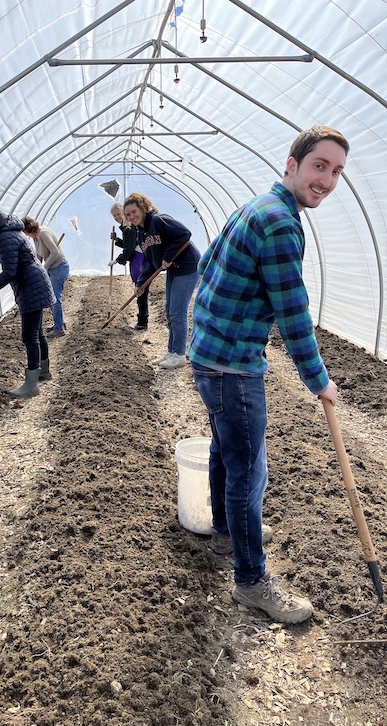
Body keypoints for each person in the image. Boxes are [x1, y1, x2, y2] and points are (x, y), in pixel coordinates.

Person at [189, 125, 350, 624]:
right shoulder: (281, 223)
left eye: (336, 172)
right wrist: (318, 379)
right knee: (248, 472)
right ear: (292, 164)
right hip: (234, 367)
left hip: (209, 356)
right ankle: (251, 581)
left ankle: (225, 532)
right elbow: (293, 312)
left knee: (226, 451)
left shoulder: (255, 207)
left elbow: (207, 266)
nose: (327, 180)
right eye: (320, 166)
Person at [0, 201, 56, 398]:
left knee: (29, 336)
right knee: (37, 333)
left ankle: (31, 385)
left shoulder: (5, 236)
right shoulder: (6, 231)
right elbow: (10, 258)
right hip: (35, 284)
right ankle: (43, 372)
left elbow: (10, 272)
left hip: (30, 288)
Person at [123, 193, 201, 368]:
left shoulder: (158, 220)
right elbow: (149, 261)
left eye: (134, 211)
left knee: (177, 312)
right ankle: (171, 351)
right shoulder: (141, 233)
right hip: (174, 269)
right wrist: (141, 284)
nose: (132, 216)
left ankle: (179, 355)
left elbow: (184, 234)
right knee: (169, 311)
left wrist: (168, 256)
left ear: (142, 208)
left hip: (188, 266)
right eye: (128, 215)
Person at [21, 216, 70, 339]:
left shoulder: (43, 233)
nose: (25, 235)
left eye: (24, 231)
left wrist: (44, 267)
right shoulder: (35, 237)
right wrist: (36, 269)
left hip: (59, 267)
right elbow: (39, 255)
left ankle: (59, 329)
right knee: (50, 297)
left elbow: (55, 252)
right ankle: (59, 323)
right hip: (51, 269)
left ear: (28, 229)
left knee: (55, 298)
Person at [108, 202, 149, 330]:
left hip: (139, 259)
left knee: (140, 290)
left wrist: (117, 260)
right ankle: (142, 320)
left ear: (124, 213)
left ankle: (142, 322)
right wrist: (117, 240)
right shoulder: (126, 227)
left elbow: (130, 248)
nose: (117, 217)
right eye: (114, 215)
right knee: (141, 290)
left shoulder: (129, 228)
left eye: (118, 214)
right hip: (138, 257)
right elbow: (128, 244)